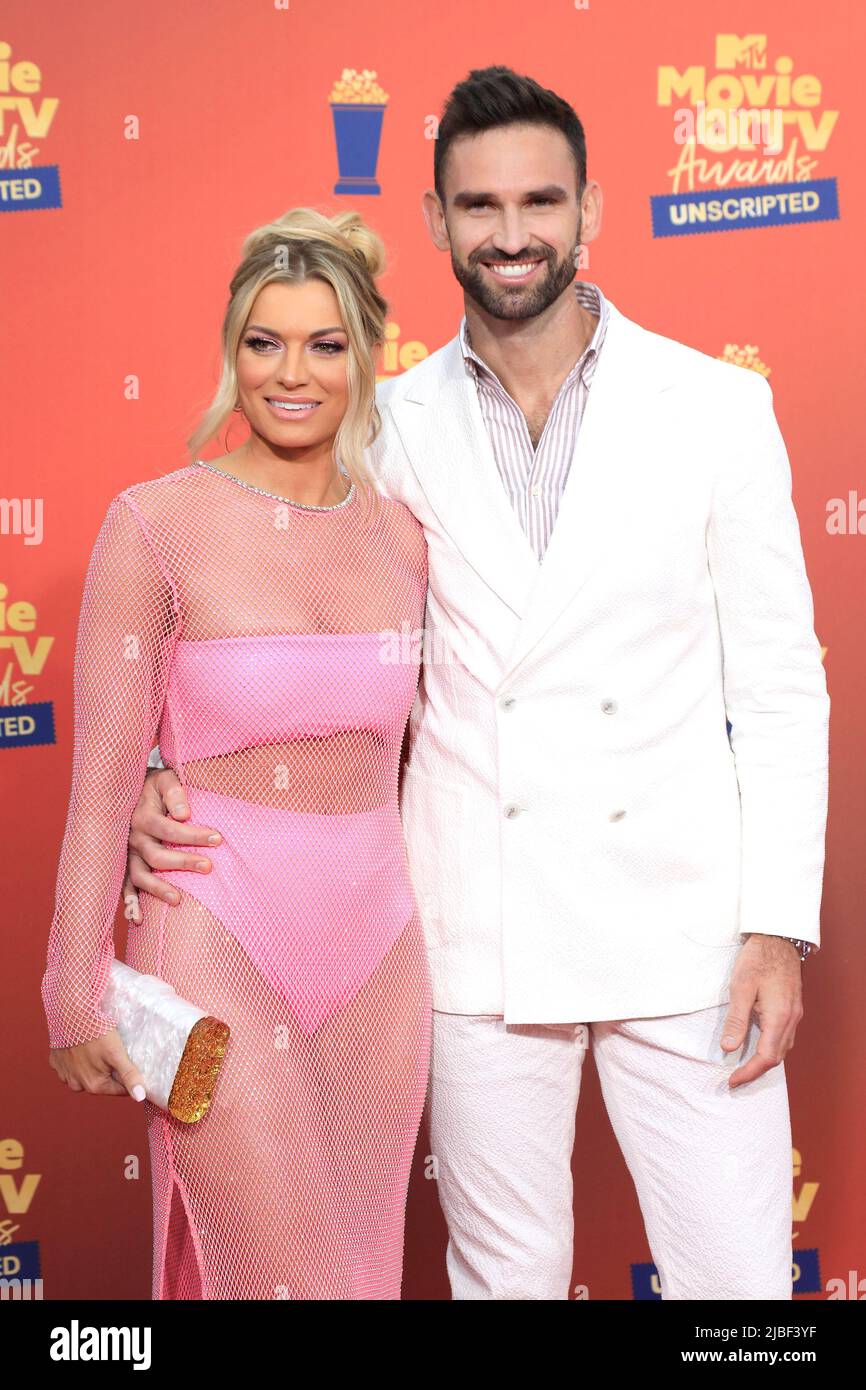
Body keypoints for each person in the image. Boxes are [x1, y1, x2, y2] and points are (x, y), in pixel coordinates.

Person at [123, 67, 830, 1301]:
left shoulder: (717, 409)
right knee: (503, 1284)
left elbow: (778, 688)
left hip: (688, 932)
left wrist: (775, 923)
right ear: (435, 218)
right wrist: (156, 782)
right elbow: (262, 622)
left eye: (539, 202)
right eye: (479, 205)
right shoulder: (377, 425)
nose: (512, 234)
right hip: (471, 930)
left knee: (739, 1294)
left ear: (590, 209)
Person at [41, 208, 432, 1300]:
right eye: (264, 342)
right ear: (231, 350)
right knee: (273, 1272)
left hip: (379, 957)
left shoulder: (403, 537)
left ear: (365, 355)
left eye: (324, 343)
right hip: (214, 935)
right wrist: (74, 986)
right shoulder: (155, 523)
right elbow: (99, 794)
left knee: (359, 1275)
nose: (290, 373)